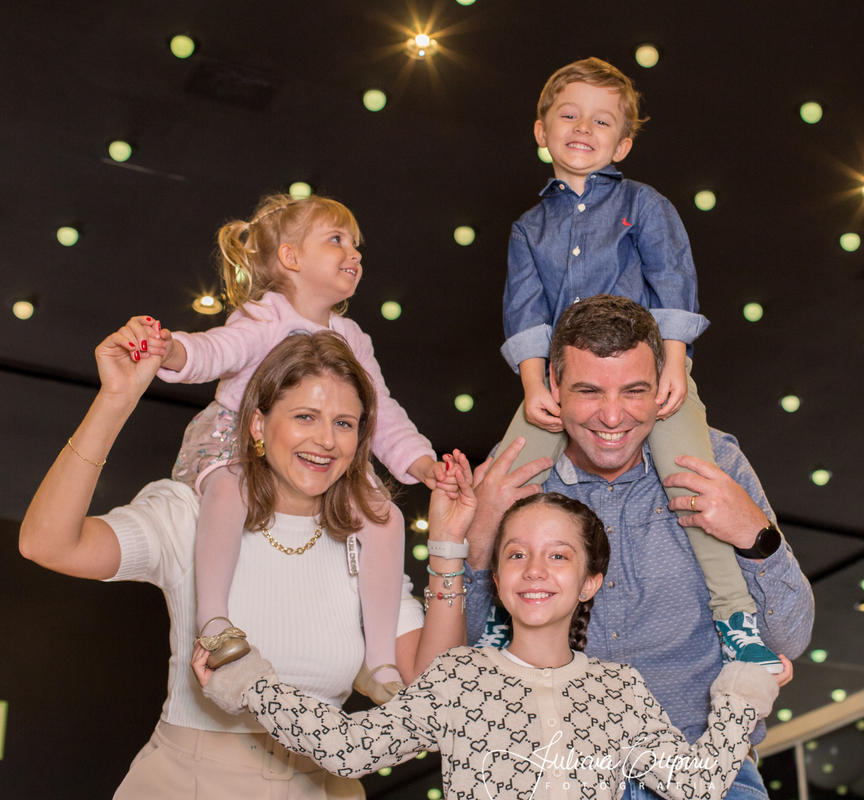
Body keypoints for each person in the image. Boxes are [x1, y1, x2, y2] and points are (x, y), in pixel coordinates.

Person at [19, 329, 470, 799]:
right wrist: (115, 400)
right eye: (305, 416)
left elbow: (431, 686)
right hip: (190, 784)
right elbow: (47, 544)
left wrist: (448, 544)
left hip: (322, 786)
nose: (326, 440)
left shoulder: (364, 538)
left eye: (344, 423)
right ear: (258, 424)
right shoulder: (190, 514)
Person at [194, 492, 782, 800]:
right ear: (498, 578)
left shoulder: (619, 689)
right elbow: (348, 748)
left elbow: (698, 783)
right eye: (517, 554)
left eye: (559, 556)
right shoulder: (460, 678)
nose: (535, 569)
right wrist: (249, 684)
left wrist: (746, 689)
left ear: (590, 583)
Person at [469, 294, 815, 800]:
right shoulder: (511, 478)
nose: (613, 416)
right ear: (554, 389)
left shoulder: (715, 462)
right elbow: (463, 650)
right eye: (589, 391)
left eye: (634, 391)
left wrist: (754, 535)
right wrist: (478, 537)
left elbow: (790, 639)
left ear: (663, 387)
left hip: (712, 770)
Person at [495, 58, 779, 671]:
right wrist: (534, 384)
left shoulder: (643, 204)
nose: (583, 128)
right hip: (560, 384)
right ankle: (500, 617)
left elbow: (674, 281)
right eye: (569, 115)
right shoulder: (528, 228)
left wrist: (675, 365)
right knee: (504, 479)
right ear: (541, 130)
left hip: (655, 376)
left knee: (692, 480)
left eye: (602, 121)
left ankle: (734, 615)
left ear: (622, 143)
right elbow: (523, 310)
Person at [135, 192, 439, 702]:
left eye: (357, 245)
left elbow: (379, 410)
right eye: (337, 239)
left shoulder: (352, 338)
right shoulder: (265, 316)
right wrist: (173, 350)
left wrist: (421, 461)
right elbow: (217, 349)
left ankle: (378, 658)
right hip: (239, 439)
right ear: (291, 257)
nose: (354, 253)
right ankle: (215, 622)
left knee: (384, 517)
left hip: (320, 452)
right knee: (229, 489)